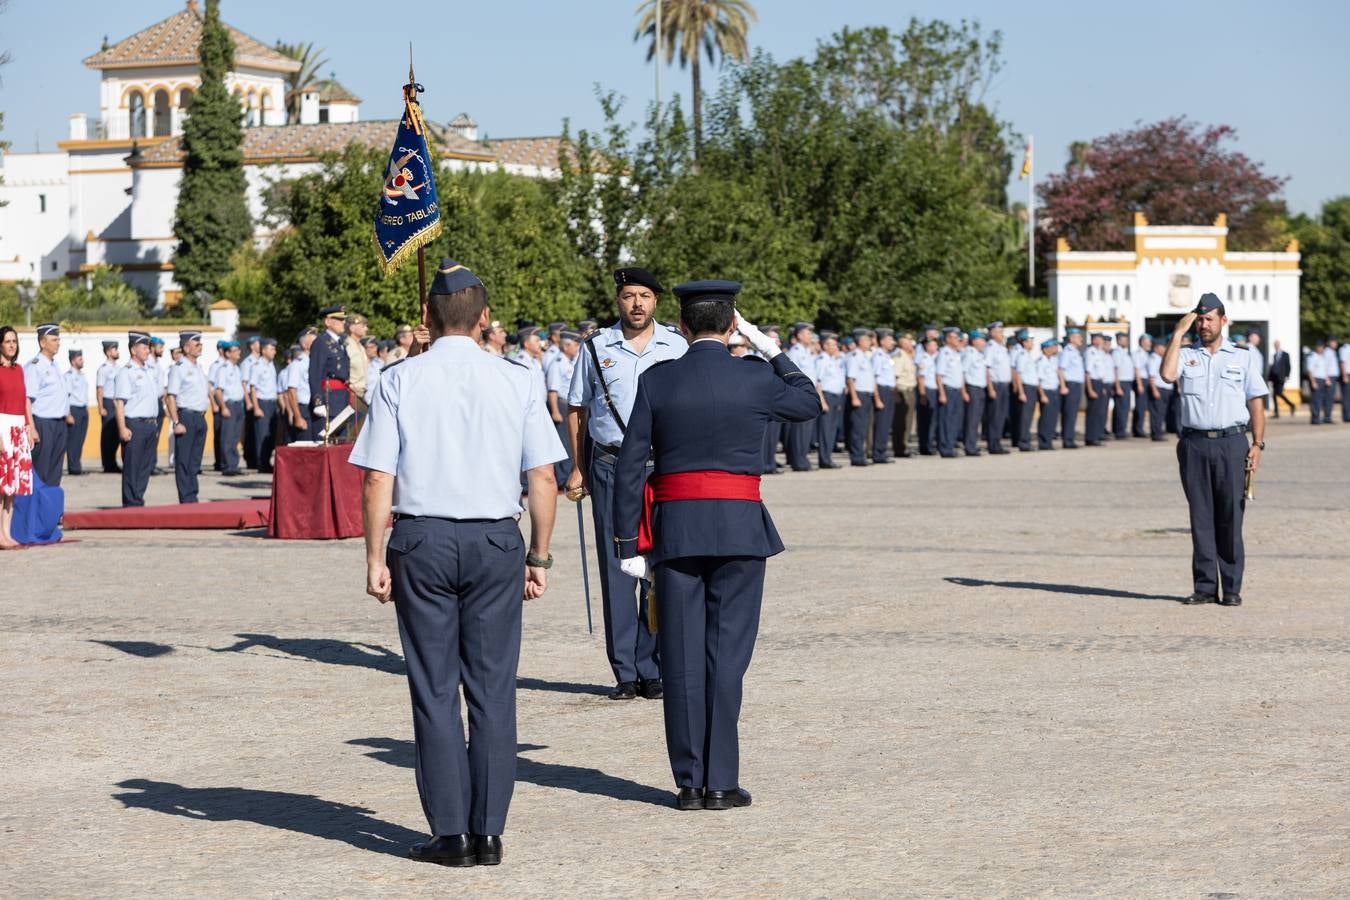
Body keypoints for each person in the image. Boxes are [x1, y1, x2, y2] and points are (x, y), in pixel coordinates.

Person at [351, 258, 565, 867]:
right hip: (497, 539)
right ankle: (489, 829)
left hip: (420, 539)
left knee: (434, 688)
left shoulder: (398, 379)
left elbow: (376, 479)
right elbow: (543, 477)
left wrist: (373, 556)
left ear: (425, 316)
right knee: (494, 689)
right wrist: (540, 555)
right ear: (486, 319)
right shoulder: (519, 378)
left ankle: (451, 831)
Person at [611, 280, 819, 812]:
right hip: (740, 527)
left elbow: (631, 464)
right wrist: (769, 348)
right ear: (733, 326)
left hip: (677, 527)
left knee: (678, 657)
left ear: (680, 327)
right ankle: (722, 780)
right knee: (727, 657)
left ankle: (689, 782)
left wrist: (625, 540)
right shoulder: (754, 376)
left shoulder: (658, 379)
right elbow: (807, 402)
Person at [565, 266, 688, 700]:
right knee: (618, 565)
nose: (637, 304)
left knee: (658, 565)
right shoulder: (597, 347)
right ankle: (624, 671)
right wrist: (578, 467)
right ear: (618, 300)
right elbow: (577, 408)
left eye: (645, 296)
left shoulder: (676, 343)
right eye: (629, 296)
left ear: (657, 301)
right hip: (611, 465)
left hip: (662, 466)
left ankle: (652, 666)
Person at [1160, 293, 1266, 606]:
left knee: (1231, 516)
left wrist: (1258, 444)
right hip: (1194, 443)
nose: (1204, 325)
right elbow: (1166, 375)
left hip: (1232, 443)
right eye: (1200, 319)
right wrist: (1178, 333)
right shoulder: (1185, 353)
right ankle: (1205, 587)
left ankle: (1231, 588)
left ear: (1223, 320)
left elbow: (1256, 401)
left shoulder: (1243, 357)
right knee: (1201, 516)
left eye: (1209, 319)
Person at [113, 331, 163, 507]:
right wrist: (122, 428)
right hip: (134, 424)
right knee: (132, 467)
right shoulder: (126, 372)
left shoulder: (149, 370)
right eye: (144, 347)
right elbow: (119, 403)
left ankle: (138, 499)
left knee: (145, 466)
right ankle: (130, 503)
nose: (148, 351)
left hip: (150, 424)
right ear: (134, 350)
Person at [1, 326, 37, 548]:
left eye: (14, 341)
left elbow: (25, 402)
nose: (12, 345)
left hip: (18, 429)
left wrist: (29, 427)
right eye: (7, 341)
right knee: (1, 485)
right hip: (2, 427)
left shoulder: (20, 370)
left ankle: (6, 531)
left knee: (13, 487)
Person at [164, 331, 210, 504]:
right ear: (185, 347)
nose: (200, 346)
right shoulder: (179, 368)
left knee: (195, 460)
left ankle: (192, 494)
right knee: (183, 460)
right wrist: (176, 422)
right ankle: (186, 498)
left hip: (199, 416)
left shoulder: (198, 367)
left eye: (200, 343)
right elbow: (171, 397)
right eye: (196, 343)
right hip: (185, 416)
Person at [23, 323, 70, 487]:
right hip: (43, 424)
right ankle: (37, 508)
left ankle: (50, 508)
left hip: (59, 424)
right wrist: (31, 427)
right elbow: (26, 400)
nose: (58, 342)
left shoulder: (55, 365)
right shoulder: (34, 367)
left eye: (58, 339)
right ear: (43, 343)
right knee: (41, 470)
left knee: (55, 470)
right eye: (54, 339)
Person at [309, 305, 352, 441]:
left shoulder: (340, 343)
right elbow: (315, 373)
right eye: (339, 319)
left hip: (341, 399)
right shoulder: (321, 342)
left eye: (343, 320)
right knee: (325, 441)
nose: (343, 323)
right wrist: (318, 402)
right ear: (328, 321)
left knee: (341, 441)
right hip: (329, 400)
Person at [546, 330, 580, 487]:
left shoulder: (570, 361)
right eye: (575, 344)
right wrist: (555, 411)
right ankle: (562, 478)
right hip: (561, 404)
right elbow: (553, 390)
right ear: (566, 346)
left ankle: (568, 474)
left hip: (569, 404)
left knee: (571, 441)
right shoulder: (557, 363)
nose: (578, 347)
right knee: (564, 443)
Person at [785, 323, 818, 471]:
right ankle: (798, 460)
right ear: (799, 335)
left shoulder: (806, 351)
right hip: (800, 393)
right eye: (807, 333)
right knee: (799, 429)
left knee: (806, 429)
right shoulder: (795, 352)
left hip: (808, 392)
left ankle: (802, 458)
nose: (810, 336)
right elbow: (792, 375)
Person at [844, 329, 876, 466]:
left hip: (867, 395)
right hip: (859, 395)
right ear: (860, 341)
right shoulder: (855, 356)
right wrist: (854, 397)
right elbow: (850, 379)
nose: (870, 342)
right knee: (857, 427)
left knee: (863, 427)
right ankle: (856, 457)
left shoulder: (864, 356)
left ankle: (860, 454)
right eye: (867, 340)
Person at [247, 338, 280, 473]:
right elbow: (253, 388)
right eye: (272, 349)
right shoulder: (257, 366)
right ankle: (262, 463)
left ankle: (266, 462)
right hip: (262, 403)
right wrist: (256, 407)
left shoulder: (271, 365)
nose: (274, 352)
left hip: (272, 403)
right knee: (262, 434)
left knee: (271, 434)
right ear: (264, 349)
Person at [213, 341, 246, 476]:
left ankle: (233, 464)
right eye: (235, 350)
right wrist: (223, 407)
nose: (238, 353)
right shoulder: (223, 369)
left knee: (234, 437)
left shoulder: (236, 368)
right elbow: (218, 391)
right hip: (229, 404)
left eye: (238, 350)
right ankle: (227, 465)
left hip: (238, 405)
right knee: (227, 437)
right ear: (227, 353)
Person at [814, 332, 845, 469]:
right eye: (833, 344)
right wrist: (822, 401)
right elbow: (817, 382)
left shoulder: (834, 360)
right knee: (826, 429)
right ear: (825, 346)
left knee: (832, 429)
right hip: (827, 396)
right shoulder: (822, 360)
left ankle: (828, 457)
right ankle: (824, 459)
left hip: (836, 397)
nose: (836, 346)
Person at [934, 327, 966, 458]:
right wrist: (942, 393)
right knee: (946, 420)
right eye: (955, 337)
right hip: (948, 389)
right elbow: (939, 375)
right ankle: (945, 447)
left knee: (955, 420)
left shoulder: (956, 354)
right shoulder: (944, 353)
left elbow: (960, 375)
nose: (958, 340)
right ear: (948, 339)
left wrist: (963, 391)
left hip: (957, 389)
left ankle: (951, 444)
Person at [870, 327, 897, 463]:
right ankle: (877, 453)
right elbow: (874, 378)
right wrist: (877, 398)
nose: (892, 342)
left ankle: (882, 451)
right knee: (881, 423)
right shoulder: (878, 356)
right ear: (882, 341)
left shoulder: (886, 356)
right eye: (889, 339)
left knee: (886, 424)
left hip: (889, 391)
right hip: (882, 391)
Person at [95, 340, 122, 473]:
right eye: (114, 349)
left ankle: (113, 461)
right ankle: (107, 463)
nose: (117, 351)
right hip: (108, 402)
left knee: (117, 434)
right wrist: (100, 406)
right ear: (108, 352)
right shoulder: (103, 369)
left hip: (117, 402)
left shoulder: (119, 368)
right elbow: (100, 389)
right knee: (107, 434)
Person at [1010, 329, 1038, 451]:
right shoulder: (1021, 354)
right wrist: (1021, 392)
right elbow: (1018, 374)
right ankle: (1023, 442)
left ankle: (1023, 440)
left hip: (1030, 387)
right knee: (1025, 417)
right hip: (1026, 387)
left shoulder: (1026, 354)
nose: (1032, 343)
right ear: (1024, 342)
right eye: (1030, 341)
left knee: (1027, 416)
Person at [1058, 327, 1086, 448]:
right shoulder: (1067, 352)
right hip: (1070, 385)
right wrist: (1063, 386)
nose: (1081, 339)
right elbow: (1060, 370)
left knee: (1073, 413)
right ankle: (1067, 440)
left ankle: (1070, 438)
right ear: (1072, 338)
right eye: (1078, 337)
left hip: (1076, 385)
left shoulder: (1075, 352)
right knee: (1069, 413)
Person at [891, 332, 917, 458]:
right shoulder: (899, 356)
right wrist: (896, 393)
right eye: (907, 341)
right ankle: (899, 447)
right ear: (901, 343)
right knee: (901, 422)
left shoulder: (908, 356)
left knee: (908, 421)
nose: (910, 344)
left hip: (910, 390)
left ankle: (903, 445)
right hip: (902, 390)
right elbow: (895, 375)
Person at [64, 349, 89, 476]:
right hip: (73, 409)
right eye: (80, 359)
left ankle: (77, 465)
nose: (82, 361)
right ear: (73, 361)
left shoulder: (81, 375)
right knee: (73, 440)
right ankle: (73, 467)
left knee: (80, 439)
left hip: (83, 409)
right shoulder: (69, 376)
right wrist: (68, 414)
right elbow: (66, 396)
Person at [1083, 333, 1110, 445]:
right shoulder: (1090, 352)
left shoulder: (1099, 352)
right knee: (1092, 412)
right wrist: (1090, 389)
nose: (1101, 342)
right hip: (1093, 383)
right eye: (1099, 339)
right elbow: (1087, 373)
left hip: (1099, 383)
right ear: (1094, 340)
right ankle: (1090, 438)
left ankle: (1096, 435)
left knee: (1098, 412)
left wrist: (1102, 387)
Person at [1035, 339, 1061, 450]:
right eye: (1053, 347)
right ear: (1046, 349)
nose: (1055, 349)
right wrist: (1042, 395)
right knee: (1046, 418)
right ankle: (1044, 442)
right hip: (1046, 391)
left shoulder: (1054, 360)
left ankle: (1049, 440)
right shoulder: (1040, 362)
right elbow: (1038, 381)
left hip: (1054, 390)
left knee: (1053, 418)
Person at [915, 335, 938, 455]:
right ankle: (925, 446)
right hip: (927, 390)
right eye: (933, 345)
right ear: (927, 346)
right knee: (927, 420)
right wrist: (923, 394)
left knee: (931, 419)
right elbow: (921, 377)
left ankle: (928, 444)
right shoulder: (924, 359)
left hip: (933, 390)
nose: (936, 347)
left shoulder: (931, 358)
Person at [1110, 332, 1135, 439]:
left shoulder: (1125, 352)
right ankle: (1120, 431)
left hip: (1127, 383)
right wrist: (1118, 386)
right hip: (1121, 382)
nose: (1126, 341)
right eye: (1124, 339)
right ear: (1119, 340)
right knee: (1122, 408)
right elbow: (1116, 370)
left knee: (1123, 407)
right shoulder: (1117, 353)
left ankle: (1118, 429)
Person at [1131, 335, 1152, 437]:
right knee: (1140, 406)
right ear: (1142, 342)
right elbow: (1137, 370)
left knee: (1143, 407)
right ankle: (1138, 429)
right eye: (1147, 342)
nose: (1149, 344)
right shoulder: (1137, 354)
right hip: (1141, 381)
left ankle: (1139, 428)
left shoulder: (1146, 354)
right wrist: (1139, 384)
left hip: (1146, 381)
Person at [1305, 339, 1330, 424]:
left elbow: (1324, 369)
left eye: (1322, 347)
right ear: (1316, 347)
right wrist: (1313, 382)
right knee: (1315, 400)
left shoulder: (1322, 357)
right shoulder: (1313, 356)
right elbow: (1310, 371)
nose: (1321, 349)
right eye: (1319, 347)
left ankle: (1317, 417)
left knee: (1320, 400)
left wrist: (1327, 379)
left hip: (1322, 380)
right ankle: (1314, 418)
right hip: (1316, 379)